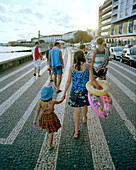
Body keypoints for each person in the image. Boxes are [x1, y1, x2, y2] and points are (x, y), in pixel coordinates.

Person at [62, 50, 100, 138]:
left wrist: (64, 92)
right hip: (85, 91)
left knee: (76, 110)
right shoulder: (88, 66)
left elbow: (68, 81)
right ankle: (85, 118)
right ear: (83, 56)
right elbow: (92, 79)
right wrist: (98, 88)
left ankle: (76, 131)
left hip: (75, 92)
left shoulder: (72, 67)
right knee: (84, 106)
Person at [33, 86, 64, 153]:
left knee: (48, 128)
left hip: (44, 117)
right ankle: (50, 146)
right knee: (51, 132)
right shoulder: (52, 101)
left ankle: (48, 131)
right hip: (51, 117)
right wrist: (63, 98)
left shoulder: (40, 102)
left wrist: (35, 120)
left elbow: (37, 111)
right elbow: (60, 101)